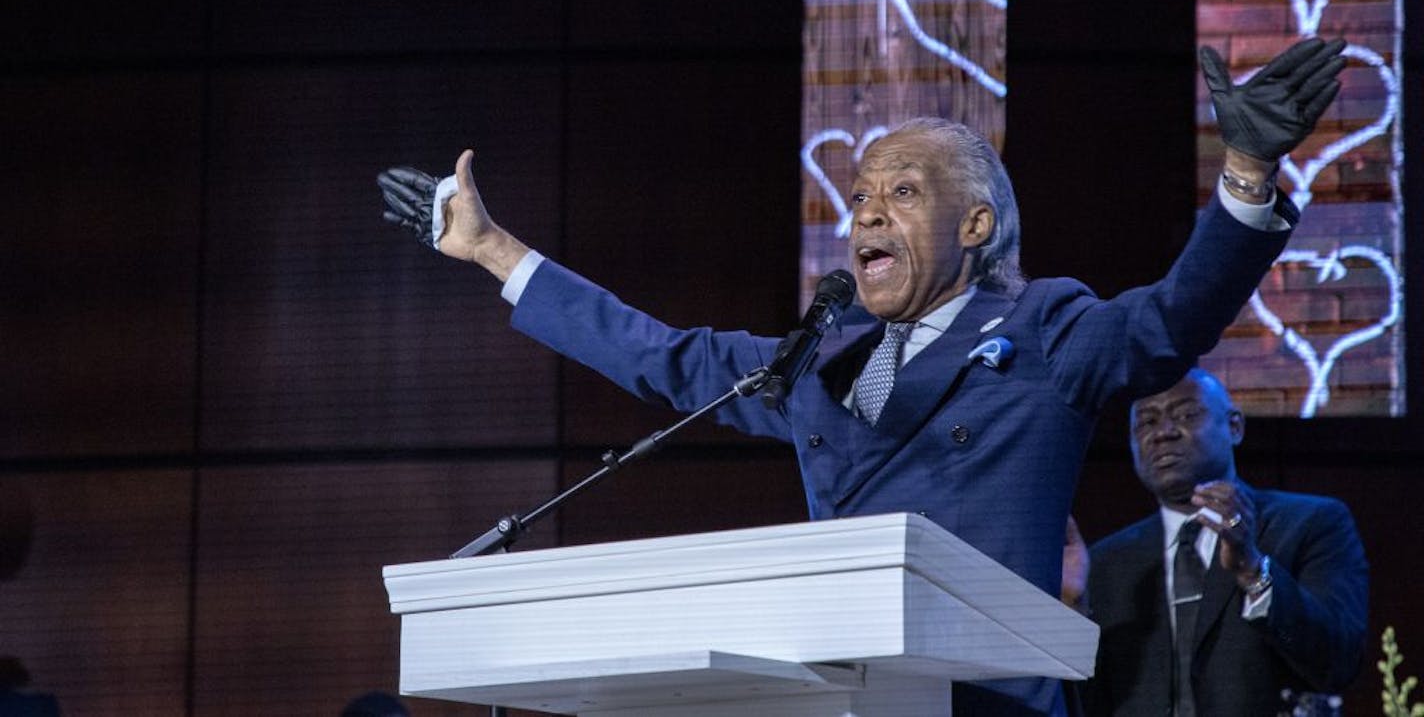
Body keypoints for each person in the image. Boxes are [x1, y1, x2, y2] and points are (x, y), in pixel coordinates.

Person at [378, 38, 1345, 716]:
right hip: (839, 699)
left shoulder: (1045, 327)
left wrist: (1247, 172)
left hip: (986, 702)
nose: (867, 216)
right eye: (860, 198)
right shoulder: (816, 357)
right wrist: (496, 250)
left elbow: (1171, 318)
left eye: (902, 193)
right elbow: (662, 354)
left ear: (974, 227)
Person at [1066, 369, 1369, 716]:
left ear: (1235, 426)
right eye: (1146, 423)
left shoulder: (1309, 524)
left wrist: (1253, 571)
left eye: (1186, 414)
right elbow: (1083, 703)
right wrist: (1074, 609)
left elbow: (1337, 662)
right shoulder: (1106, 561)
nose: (1163, 433)